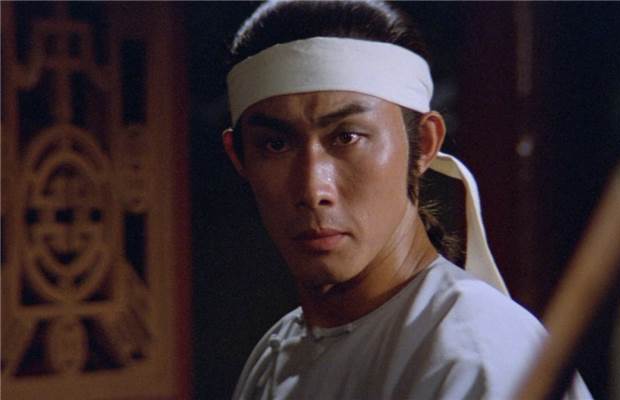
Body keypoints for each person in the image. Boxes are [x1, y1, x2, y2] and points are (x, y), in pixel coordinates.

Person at [222, 2, 591, 399]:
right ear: (238, 157)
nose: (314, 190)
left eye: (347, 137)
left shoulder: (476, 354)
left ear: (425, 144)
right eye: (275, 145)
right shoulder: (272, 359)